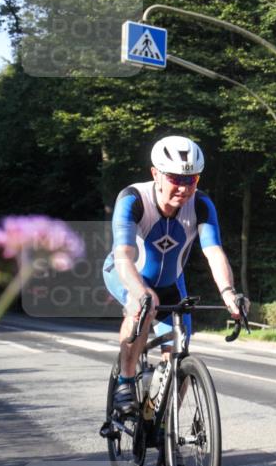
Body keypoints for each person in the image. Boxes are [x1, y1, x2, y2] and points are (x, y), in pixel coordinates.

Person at [100, 135, 245, 437]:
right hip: (126, 272)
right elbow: (123, 256)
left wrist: (229, 294)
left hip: (170, 282)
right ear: (156, 174)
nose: (184, 187)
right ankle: (126, 382)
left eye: (191, 179)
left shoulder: (201, 205)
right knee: (144, 306)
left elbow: (213, 252)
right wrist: (140, 293)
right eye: (176, 178)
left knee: (178, 355)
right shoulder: (133, 199)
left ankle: (160, 422)